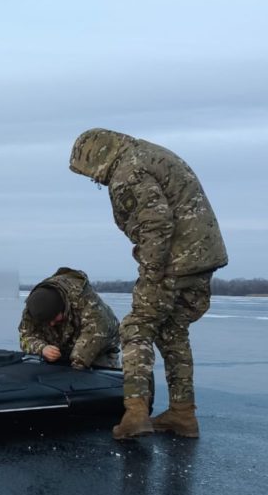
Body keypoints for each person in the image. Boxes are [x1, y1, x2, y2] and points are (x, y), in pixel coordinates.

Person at [68, 128, 228, 439]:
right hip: (201, 258)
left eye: (89, 173)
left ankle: (136, 413)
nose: (94, 180)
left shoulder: (127, 171)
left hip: (173, 262)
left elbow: (156, 224)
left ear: (97, 157)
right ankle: (183, 414)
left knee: (136, 327)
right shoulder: (146, 155)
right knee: (172, 332)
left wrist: (152, 271)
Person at [19, 267, 121, 370]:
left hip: (99, 348)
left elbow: (95, 332)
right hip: (62, 348)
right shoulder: (33, 307)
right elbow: (25, 337)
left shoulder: (85, 301)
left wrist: (77, 365)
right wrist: (42, 348)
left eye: (54, 318)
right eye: (46, 321)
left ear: (63, 307)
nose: (51, 324)